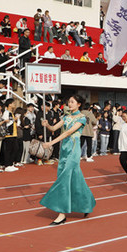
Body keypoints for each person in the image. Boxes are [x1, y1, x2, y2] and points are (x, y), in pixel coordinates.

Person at [39, 94, 97, 225]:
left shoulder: (82, 118)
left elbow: (67, 133)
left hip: (73, 150)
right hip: (64, 150)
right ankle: (86, 203)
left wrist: (50, 143)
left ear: (79, 104)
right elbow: (54, 128)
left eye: (72, 102)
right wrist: (47, 125)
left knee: (64, 179)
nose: (69, 104)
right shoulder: (66, 117)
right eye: (68, 102)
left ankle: (62, 214)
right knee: (76, 179)